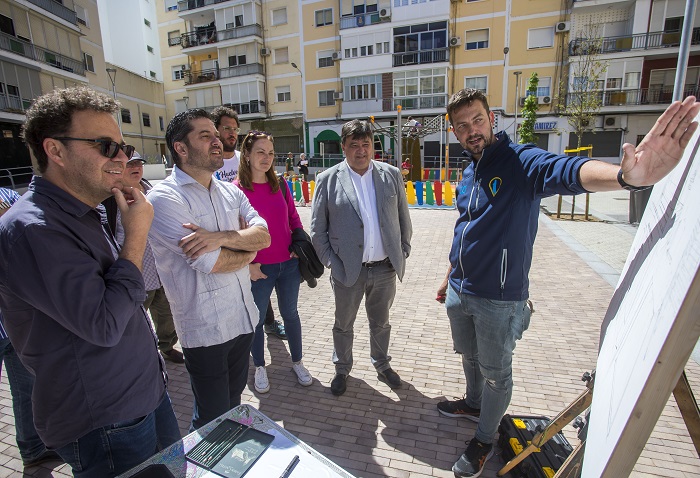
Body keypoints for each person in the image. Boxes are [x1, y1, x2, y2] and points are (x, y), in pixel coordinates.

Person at [436, 88, 700, 478]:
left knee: (496, 372)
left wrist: (625, 177)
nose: (471, 130)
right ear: (455, 133)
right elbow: (466, 226)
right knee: (469, 357)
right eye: (462, 126)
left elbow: (566, 171)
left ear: (492, 118)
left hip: (498, 300)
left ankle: (485, 437)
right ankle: (474, 402)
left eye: (477, 120)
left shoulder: (521, 161)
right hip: (461, 290)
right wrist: (448, 275)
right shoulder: (470, 169)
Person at [0, 86, 180, 477]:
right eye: (105, 146)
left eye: (122, 145)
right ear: (56, 151)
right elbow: (104, 323)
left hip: (144, 395)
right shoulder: (34, 229)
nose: (121, 157)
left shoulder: (87, 210)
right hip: (107, 420)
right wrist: (136, 235)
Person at [148, 109, 270, 431]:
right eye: (205, 136)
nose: (217, 141)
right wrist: (249, 249)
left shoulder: (230, 190)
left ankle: (225, 460)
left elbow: (264, 233)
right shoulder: (163, 198)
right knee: (211, 419)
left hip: (243, 318)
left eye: (215, 135)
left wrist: (223, 238)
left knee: (232, 407)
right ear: (181, 148)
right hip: (205, 331)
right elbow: (209, 262)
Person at [310, 119, 413, 396]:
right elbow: (317, 231)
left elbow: (404, 218)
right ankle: (342, 369)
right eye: (353, 145)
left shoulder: (390, 175)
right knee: (343, 324)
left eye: (365, 144)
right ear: (344, 146)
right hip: (347, 271)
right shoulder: (328, 179)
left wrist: (402, 250)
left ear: (372, 147)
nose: (360, 150)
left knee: (381, 322)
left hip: (384, 269)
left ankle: (382, 365)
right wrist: (332, 262)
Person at [234, 131, 313, 393]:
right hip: (259, 269)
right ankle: (259, 367)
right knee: (256, 320)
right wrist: (248, 265)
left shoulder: (280, 184)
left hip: (288, 265)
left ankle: (298, 362)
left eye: (270, 153)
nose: (266, 158)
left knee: (290, 314)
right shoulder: (235, 191)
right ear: (247, 155)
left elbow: (293, 218)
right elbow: (233, 234)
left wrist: (297, 246)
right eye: (260, 152)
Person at [211, 107, 287, 340]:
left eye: (235, 129)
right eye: (226, 128)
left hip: (254, 240)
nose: (232, 133)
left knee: (258, 299)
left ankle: (268, 323)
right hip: (227, 240)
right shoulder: (210, 162)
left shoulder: (239, 158)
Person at [102, 152, 184, 364]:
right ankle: (129, 358)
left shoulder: (152, 190)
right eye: (130, 164)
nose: (136, 167)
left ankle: (166, 347)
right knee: (132, 321)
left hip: (162, 270)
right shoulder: (110, 199)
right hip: (136, 272)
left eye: (139, 163)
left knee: (167, 315)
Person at [0, 188, 62, 468]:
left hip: (11, 321)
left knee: (27, 390)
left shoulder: (9, 196)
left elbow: (24, 233)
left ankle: (32, 450)